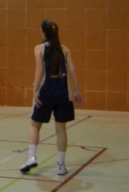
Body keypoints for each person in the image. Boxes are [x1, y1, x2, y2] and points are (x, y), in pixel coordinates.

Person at [20, 20, 83, 176]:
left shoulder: (39, 49)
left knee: (35, 126)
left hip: (45, 93)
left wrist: (34, 89)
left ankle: (31, 157)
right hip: (63, 94)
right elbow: (73, 70)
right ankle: (60, 165)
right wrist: (76, 90)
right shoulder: (64, 49)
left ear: (43, 33)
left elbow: (39, 71)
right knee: (61, 129)